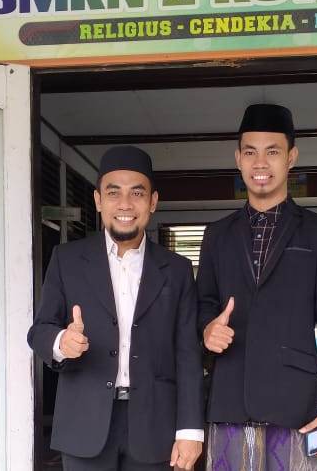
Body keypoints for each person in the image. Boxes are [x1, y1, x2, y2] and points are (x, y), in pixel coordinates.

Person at [197, 104, 317, 470]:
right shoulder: (217, 235)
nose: (260, 163)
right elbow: (203, 302)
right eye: (250, 152)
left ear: (291, 157)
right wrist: (206, 329)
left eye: (272, 152)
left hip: (294, 404)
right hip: (229, 400)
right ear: (238, 159)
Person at [28, 146, 203, 470]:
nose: (125, 204)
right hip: (84, 422)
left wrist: (190, 430)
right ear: (98, 200)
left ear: (152, 201)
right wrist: (61, 342)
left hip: (155, 425)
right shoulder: (67, 260)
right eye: (113, 193)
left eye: (137, 193)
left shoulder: (177, 269)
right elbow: (39, 330)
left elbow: (188, 353)